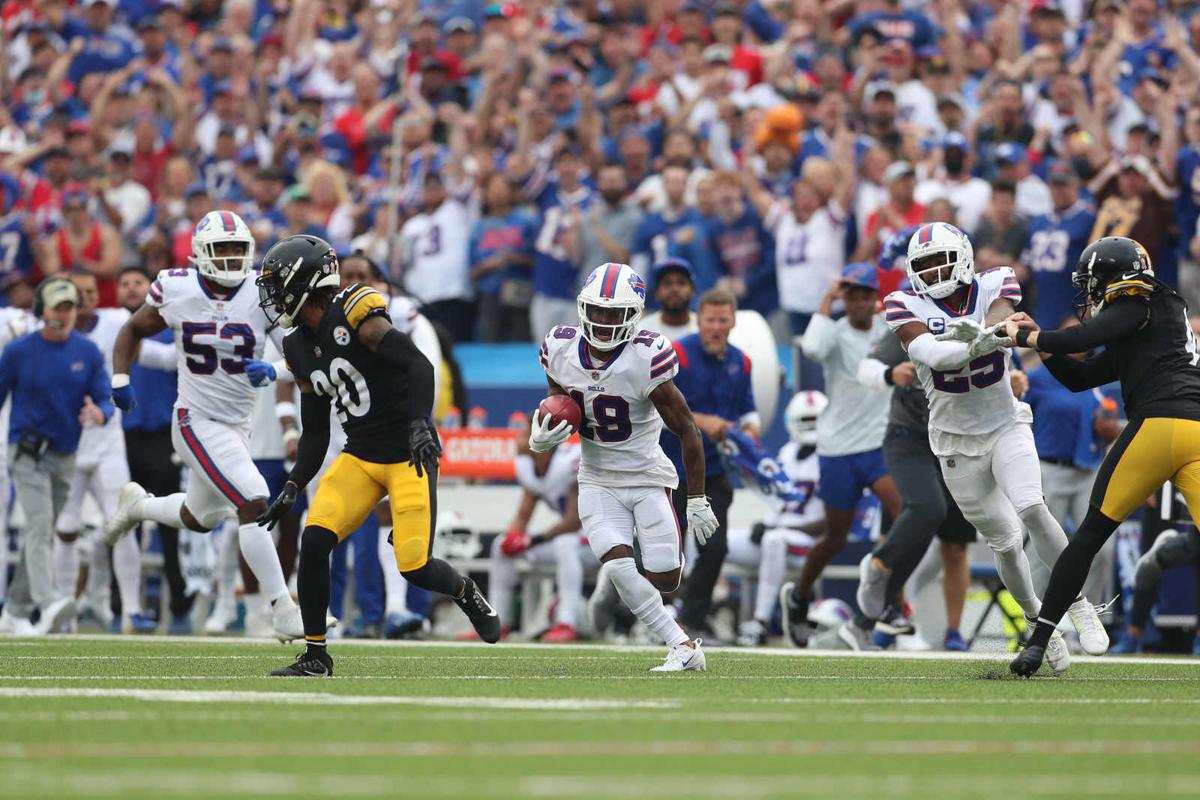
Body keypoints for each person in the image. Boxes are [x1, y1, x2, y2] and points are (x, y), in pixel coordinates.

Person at [254, 235, 500, 677]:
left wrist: (421, 424)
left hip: (408, 454)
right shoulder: (295, 345)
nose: (272, 296)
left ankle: (465, 590)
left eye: (277, 285)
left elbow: (419, 365)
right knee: (314, 539)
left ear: (303, 281)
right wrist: (293, 485)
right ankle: (316, 655)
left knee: (415, 566)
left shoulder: (356, 310)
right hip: (360, 456)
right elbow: (314, 433)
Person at [879, 222, 1106, 674]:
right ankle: (1037, 622)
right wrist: (986, 336)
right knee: (1003, 542)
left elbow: (1002, 318)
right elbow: (936, 355)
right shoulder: (903, 303)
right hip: (954, 443)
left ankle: (1076, 602)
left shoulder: (995, 281)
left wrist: (987, 331)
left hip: (1005, 423)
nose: (935, 271)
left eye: (942, 260)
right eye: (924, 264)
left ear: (962, 257)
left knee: (1033, 508)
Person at [102, 210, 308, 643]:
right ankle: (283, 609)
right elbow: (131, 330)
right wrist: (120, 379)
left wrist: (273, 371)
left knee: (198, 518)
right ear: (201, 253)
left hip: (237, 425)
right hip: (194, 419)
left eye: (238, 249)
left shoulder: (261, 292)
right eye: (223, 249)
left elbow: (299, 358)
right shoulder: (175, 288)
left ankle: (137, 507)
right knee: (254, 500)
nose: (232, 258)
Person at [1009, 237, 1200, 675]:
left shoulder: (1140, 299)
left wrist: (1027, 335)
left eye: (1091, 283)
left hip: (1161, 425)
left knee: (1090, 535)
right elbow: (1080, 376)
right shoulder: (1152, 323)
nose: (1088, 293)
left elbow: (1085, 334)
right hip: (1196, 430)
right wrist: (1041, 344)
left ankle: (1038, 644)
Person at [535, 261, 719, 671]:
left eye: (613, 313)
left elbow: (688, 428)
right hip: (597, 478)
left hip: (648, 477)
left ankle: (612, 585)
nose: (602, 321)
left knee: (666, 579)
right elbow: (558, 405)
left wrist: (698, 498)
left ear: (632, 316)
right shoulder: (560, 347)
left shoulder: (646, 355)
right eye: (596, 310)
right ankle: (683, 646)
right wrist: (541, 437)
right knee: (620, 563)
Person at [782, 262, 903, 650]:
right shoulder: (833, 332)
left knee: (906, 514)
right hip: (837, 448)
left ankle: (887, 601)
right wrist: (826, 297)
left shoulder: (888, 328)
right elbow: (812, 348)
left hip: (878, 445)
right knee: (835, 537)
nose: (858, 302)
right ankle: (799, 598)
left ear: (875, 299)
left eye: (865, 295)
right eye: (852, 295)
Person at [52, 271, 173, 634]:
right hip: (68, 446)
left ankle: (131, 611)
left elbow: (161, 356)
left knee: (123, 521)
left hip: (108, 444)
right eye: (78, 294)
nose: (86, 299)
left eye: (91, 292)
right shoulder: (51, 337)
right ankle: (63, 611)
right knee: (66, 528)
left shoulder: (117, 322)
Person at [856, 306, 979, 652]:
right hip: (911, 436)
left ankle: (952, 631)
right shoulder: (913, 320)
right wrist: (891, 374)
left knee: (954, 544)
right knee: (921, 513)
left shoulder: (979, 318)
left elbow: (999, 371)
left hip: (958, 443)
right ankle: (887, 606)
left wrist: (1012, 382)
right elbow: (868, 367)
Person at [0, 278, 113, 636]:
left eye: (70, 307)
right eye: (57, 308)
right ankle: (48, 602)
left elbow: (104, 395)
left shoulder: (88, 351)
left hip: (66, 452)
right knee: (39, 524)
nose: (64, 314)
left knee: (44, 530)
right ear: (42, 311)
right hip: (27, 450)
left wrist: (101, 413)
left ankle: (14, 612)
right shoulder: (18, 351)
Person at [666, 288, 760, 639]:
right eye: (710, 320)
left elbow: (748, 408)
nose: (716, 327)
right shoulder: (677, 355)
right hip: (672, 471)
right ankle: (642, 615)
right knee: (663, 550)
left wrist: (751, 430)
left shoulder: (742, 361)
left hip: (713, 472)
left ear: (733, 321)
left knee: (715, 547)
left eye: (723, 320)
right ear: (699, 320)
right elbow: (658, 409)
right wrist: (700, 421)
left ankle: (690, 619)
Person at [1023, 316, 1123, 604]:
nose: (1077, 339)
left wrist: (1108, 432)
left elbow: (1107, 428)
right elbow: (1014, 417)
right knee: (1044, 549)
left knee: (1100, 549)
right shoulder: (1037, 377)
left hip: (1087, 470)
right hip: (1049, 470)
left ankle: (1086, 618)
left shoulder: (1093, 376)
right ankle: (1036, 617)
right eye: (1071, 333)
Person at [729, 391, 826, 647]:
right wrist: (767, 523)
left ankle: (759, 623)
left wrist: (776, 526)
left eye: (816, 421)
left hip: (809, 543)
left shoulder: (832, 455)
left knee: (774, 539)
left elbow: (831, 520)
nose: (812, 428)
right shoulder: (787, 451)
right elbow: (779, 503)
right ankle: (685, 612)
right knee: (712, 540)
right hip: (780, 535)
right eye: (806, 421)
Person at [487, 431, 589, 642]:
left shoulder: (569, 462)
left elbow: (573, 521)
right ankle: (497, 622)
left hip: (598, 541)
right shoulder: (529, 467)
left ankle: (566, 623)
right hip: (570, 543)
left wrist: (531, 541)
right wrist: (513, 538)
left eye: (525, 434)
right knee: (500, 545)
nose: (518, 439)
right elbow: (523, 516)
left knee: (565, 543)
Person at [640, 258, 698, 341]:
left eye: (681, 282)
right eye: (667, 283)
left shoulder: (704, 328)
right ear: (656, 292)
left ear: (692, 290)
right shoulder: (642, 332)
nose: (675, 289)